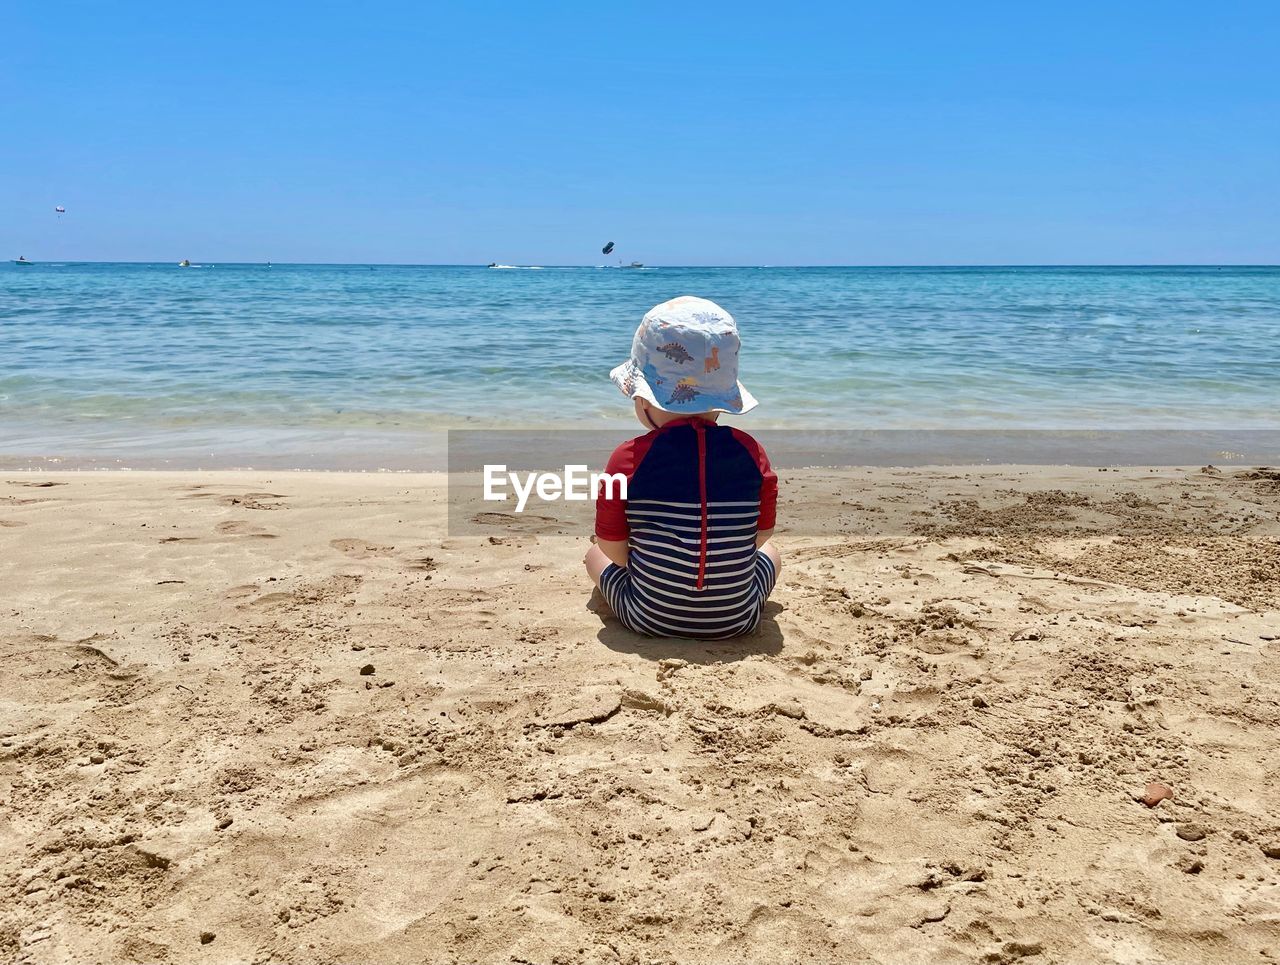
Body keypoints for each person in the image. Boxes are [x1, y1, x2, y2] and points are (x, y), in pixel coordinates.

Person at [584, 296, 780, 639]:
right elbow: (760, 537)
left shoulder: (627, 459)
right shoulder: (752, 453)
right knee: (772, 554)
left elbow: (612, 547)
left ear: (642, 398)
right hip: (737, 620)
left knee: (593, 554)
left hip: (647, 616)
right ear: (722, 399)